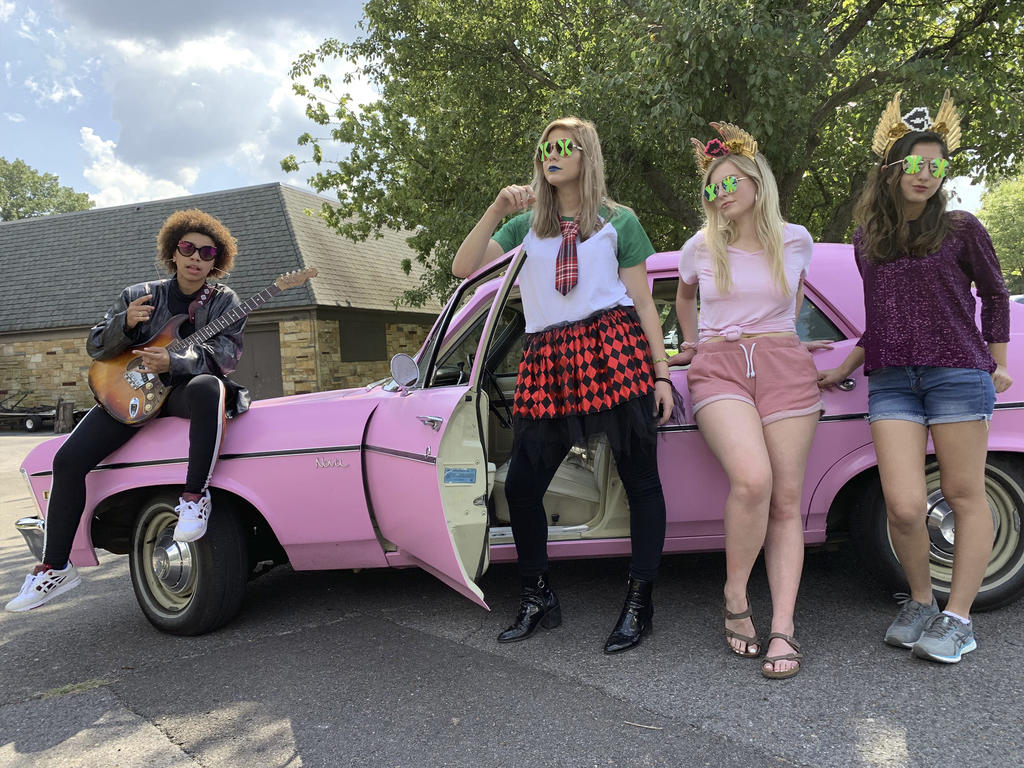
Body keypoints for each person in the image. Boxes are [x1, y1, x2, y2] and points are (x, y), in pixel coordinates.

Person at [452, 116, 673, 654]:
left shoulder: (619, 220)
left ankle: (640, 603)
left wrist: (662, 372)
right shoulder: (523, 226)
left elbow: (643, 301)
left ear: (587, 154)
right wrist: (497, 209)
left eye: (565, 145)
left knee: (640, 480)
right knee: (524, 485)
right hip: (549, 355)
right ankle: (537, 596)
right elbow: (464, 268)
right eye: (546, 147)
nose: (553, 153)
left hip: (612, 348)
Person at [818, 92, 1012, 663]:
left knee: (962, 494)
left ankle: (959, 618)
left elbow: (995, 294)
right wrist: (845, 368)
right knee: (903, 505)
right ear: (891, 168)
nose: (926, 174)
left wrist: (998, 362)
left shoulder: (960, 227)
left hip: (957, 375)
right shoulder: (867, 238)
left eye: (936, 165)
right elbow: (880, 320)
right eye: (916, 163)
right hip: (894, 381)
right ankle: (923, 601)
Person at [5, 209, 250, 613]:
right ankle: (55, 568)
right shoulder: (140, 294)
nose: (196, 258)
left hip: (180, 390)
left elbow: (226, 356)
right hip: (132, 392)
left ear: (215, 261)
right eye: (187, 248)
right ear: (173, 252)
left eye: (207, 253)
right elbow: (97, 346)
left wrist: (177, 362)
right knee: (67, 460)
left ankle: (193, 498)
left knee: (209, 387)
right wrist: (125, 322)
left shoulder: (224, 301)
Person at [670, 123, 822, 679]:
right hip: (720, 365)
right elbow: (684, 296)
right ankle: (736, 595)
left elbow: (793, 300)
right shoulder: (700, 247)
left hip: (784, 364)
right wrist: (690, 342)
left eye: (731, 181)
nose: (722, 192)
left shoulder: (796, 239)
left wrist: (791, 339)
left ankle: (783, 627)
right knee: (753, 480)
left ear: (758, 181)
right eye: (712, 187)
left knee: (786, 499)